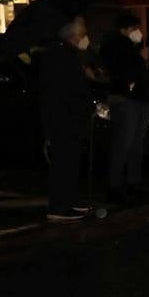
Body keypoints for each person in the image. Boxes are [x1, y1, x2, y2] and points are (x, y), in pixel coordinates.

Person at [40, 17, 94, 221]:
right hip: (64, 118)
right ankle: (59, 206)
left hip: (68, 117)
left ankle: (69, 200)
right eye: (82, 33)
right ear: (73, 35)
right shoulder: (59, 56)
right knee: (64, 162)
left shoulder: (66, 54)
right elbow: (63, 91)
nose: (85, 37)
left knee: (70, 162)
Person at [100, 14, 149, 205]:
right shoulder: (115, 46)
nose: (138, 32)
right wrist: (140, 59)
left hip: (139, 98)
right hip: (126, 99)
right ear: (124, 29)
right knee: (124, 142)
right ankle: (114, 186)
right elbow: (124, 71)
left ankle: (133, 181)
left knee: (136, 142)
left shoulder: (131, 46)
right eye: (134, 28)